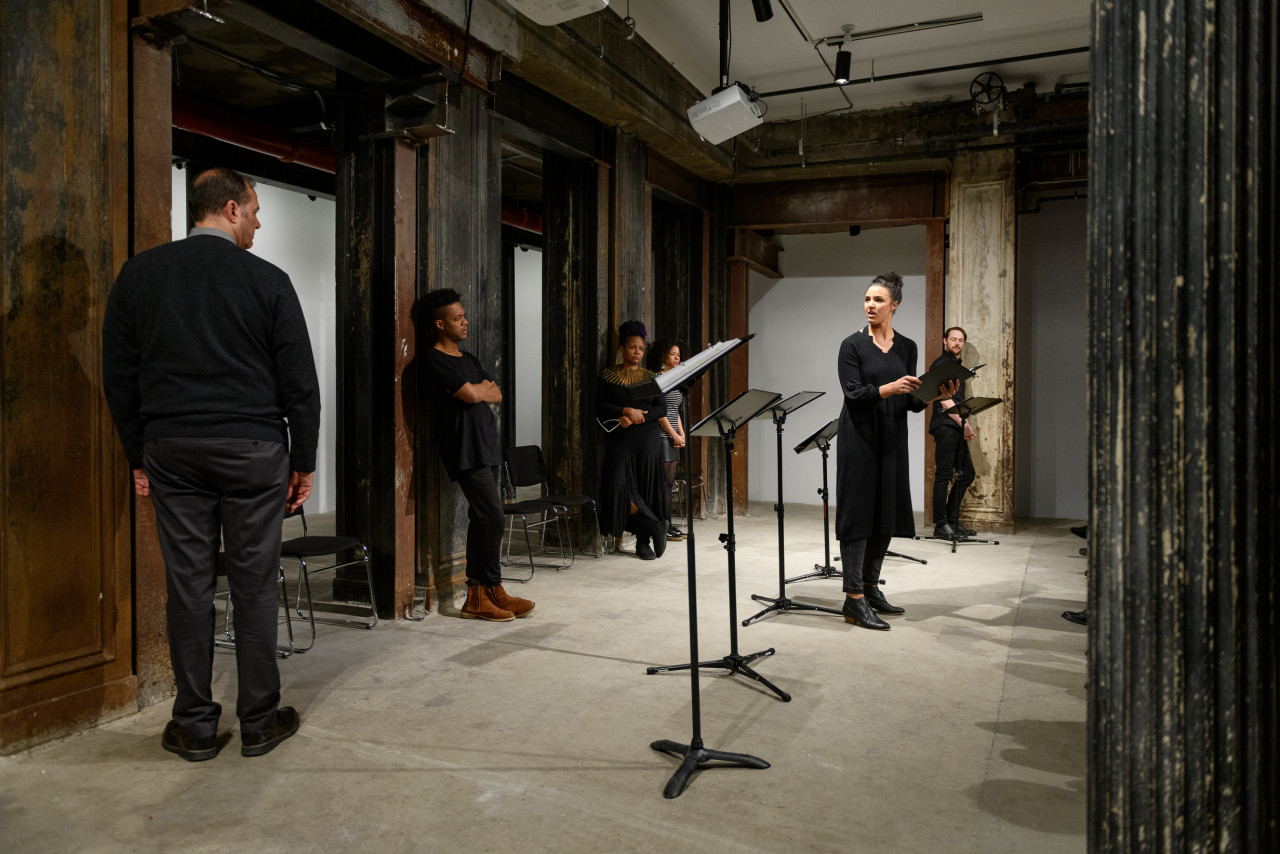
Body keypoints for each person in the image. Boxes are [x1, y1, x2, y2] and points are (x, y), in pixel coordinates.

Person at [102, 167, 319, 760]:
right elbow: (299, 380)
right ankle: (258, 721)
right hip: (253, 451)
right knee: (252, 586)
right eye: (253, 212)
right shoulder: (268, 280)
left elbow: (119, 378)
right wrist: (302, 460)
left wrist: (137, 454)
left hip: (171, 450)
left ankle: (195, 725)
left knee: (189, 588)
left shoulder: (139, 276)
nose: (257, 223)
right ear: (229, 208)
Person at [836, 272, 957, 631]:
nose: (870, 305)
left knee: (885, 513)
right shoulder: (852, 345)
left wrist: (935, 393)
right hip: (859, 440)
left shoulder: (907, 347)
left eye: (878, 300)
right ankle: (853, 598)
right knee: (858, 516)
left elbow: (911, 402)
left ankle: (871, 588)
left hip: (892, 438)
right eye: (867, 300)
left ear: (894, 306)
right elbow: (855, 394)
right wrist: (890, 387)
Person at [420, 288, 534, 622]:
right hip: (463, 448)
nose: (465, 322)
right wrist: (476, 392)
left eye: (464, 316)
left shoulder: (468, 360)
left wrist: (477, 392)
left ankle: (486, 592)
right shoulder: (434, 358)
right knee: (493, 516)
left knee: (481, 517)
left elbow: (494, 392)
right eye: (458, 318)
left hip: (486, 445)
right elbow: (471, 394)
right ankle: (481, 591)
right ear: (441, 324)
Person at [596, 320, 669, 559]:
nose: (637, 352)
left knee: (646, 488)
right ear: (622, 348)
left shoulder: (650, 378)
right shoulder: (607, 375)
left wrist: (637, 417)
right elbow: (599, 407)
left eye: (640, 348)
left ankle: (643, 542)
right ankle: (653, 525)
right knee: (617, 488)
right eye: (632, 347)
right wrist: (625, 410)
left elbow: (661, 410)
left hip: (647, 442)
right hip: (619, 441)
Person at [929, 326, 978, 540]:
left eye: (961, 340)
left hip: (955, 425)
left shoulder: (956, 366)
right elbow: (943, 398)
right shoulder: (942, 364)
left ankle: (951, 521)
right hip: (946, 424)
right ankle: (941, 525)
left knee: (967, 473)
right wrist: (963, 423)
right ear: (944, 341)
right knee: (944, 475)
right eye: (953, 339)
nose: (957, 343)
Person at [647, 339, 687, 541]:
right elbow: (660, 413)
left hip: (673, 436)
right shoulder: (656, 379)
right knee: (662, 484)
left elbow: (675, 410)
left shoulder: (676, 380)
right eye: (673, 354)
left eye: (679, 354)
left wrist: (682, 434)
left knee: (669, 483)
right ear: (664, 356)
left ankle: (667, 524)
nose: (677, 357)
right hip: (661, 435)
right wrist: (673, 435)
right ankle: (663, 526)